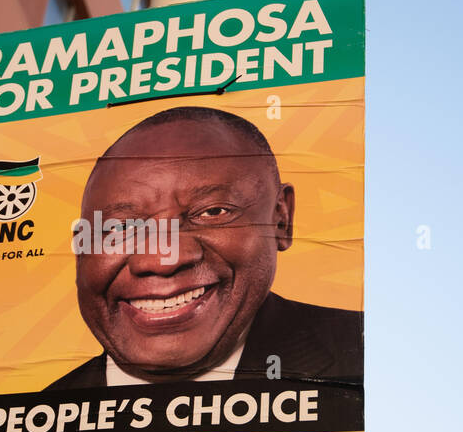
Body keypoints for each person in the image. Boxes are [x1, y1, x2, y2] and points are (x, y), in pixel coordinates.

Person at [48, 105, 362, 389]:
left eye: (212, 212)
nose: (161, 260)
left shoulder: (371, 359)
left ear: (280, 218)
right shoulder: (29, 421)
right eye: (119, 227)